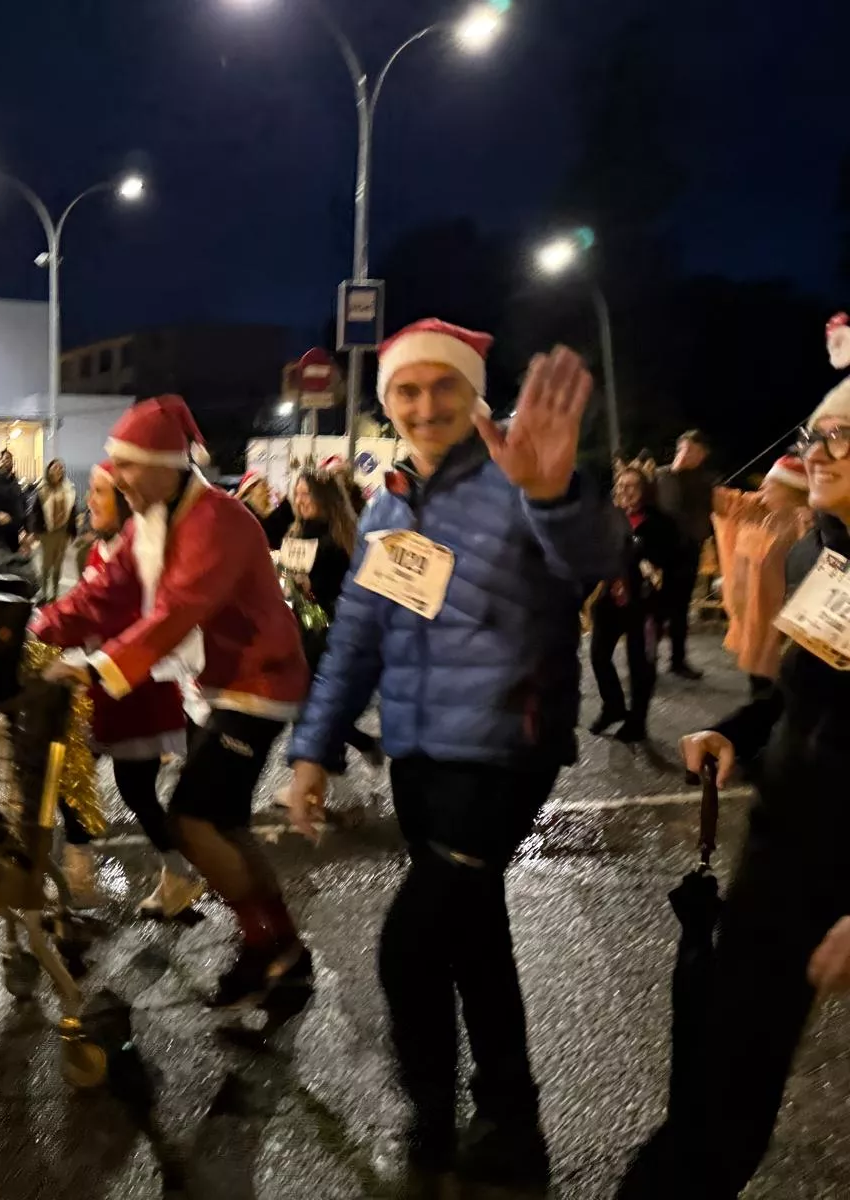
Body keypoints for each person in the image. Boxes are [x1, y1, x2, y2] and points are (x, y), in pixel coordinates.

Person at [284, 321, 616, 1195]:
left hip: (505, 751)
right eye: (407, 390)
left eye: (444, 386)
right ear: (386, 403)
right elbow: (357, 641)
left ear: (474, 394)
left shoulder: (520, 475)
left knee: (409, 945)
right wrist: (313, 749)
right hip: (421, 756)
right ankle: (505, 1123)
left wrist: (552, 493)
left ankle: (430, 1116)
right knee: (473, 939)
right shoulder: (391, 505)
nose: (425, 405)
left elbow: (597, 558)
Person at [618, 382, 850, 1200]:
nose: (817, 453)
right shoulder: (820, 556)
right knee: (726, 1072)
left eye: (842, 437)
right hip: (785, 856)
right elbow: (800, 695)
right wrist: (735, 734)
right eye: (814, 435)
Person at [42, 395, 311, 1007]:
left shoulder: (215, 519)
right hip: (223, 684)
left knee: (194, 820)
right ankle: (281, 950)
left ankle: (267, 947)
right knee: (223, 823)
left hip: (260, 684)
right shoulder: (153, 519)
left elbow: (176, 611)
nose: (116, 480)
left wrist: (93, 667)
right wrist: (34, 629)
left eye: (127, 467)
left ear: (166, 465)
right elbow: (103, 592)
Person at [31, 461, 203, 919]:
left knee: (127, 789)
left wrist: (38, 632)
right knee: (90, 781)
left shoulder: (140, 556)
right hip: (101, 690)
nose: (89, 500)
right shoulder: (100, 551)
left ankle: (93, 877)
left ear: (126, 501)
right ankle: (89, 876)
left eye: (99, 492)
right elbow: (84, 609)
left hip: (133, 694)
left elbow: (102, 614)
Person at [276, 467, 383, 768]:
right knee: (305, 702)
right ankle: (337, 755)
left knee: (313, 702)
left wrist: (313, 587)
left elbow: (346, 584)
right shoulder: (295, 533)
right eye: (297, 494)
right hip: (302, 626)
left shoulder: (340, 536)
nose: (301, 500)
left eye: (307, 494)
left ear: (325, 498)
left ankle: (324, 765)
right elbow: (290, 581)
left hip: (331, 629)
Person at [710, 455, 814, 697]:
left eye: (771, 484)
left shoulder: (805, 521)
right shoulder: (757, 508)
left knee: (780, 690)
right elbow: (720, 501)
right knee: (758, 685)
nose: (762, 487)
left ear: (790, 490)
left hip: (782, 628)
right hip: (755, 622)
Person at [589, 465, 678, 743]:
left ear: (645, 491)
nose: (624, 491)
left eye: (631, 486)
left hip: (644, 604)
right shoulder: (610, 518)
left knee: (640, 665)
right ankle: (613, 705)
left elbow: (667, 565)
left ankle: (637, 722)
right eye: (621, 485)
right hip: (611, 600)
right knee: (599, 655)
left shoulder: (660, 523)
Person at [656, 430, 719, 679]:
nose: (688, 454)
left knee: (680, 608)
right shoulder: (660, 476)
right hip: (658, 553)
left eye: (694, 451)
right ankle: (646, 659)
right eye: (685, 448)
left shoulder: (705, 482)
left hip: (688, 552)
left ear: (703, 456)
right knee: (654, 608)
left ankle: (678, 660)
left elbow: (709, 516)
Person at [27, 458, 78, 603]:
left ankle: (54, 594)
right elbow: (35, 512)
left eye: (60, 468)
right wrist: (34, 531)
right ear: (49, 471)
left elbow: (72, 512)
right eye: (55, 468)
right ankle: (44, 593)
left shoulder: (68, 489)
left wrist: (72, 531)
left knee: (58, 565)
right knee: (46, 565)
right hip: (47, 533)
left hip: (63, 533)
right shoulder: (43, 490)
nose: (58, 470)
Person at [237, 469, 293, 545]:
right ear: (250, 489)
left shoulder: (266, 516)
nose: (268, 489)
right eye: (264, 485)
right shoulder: (245, 516)